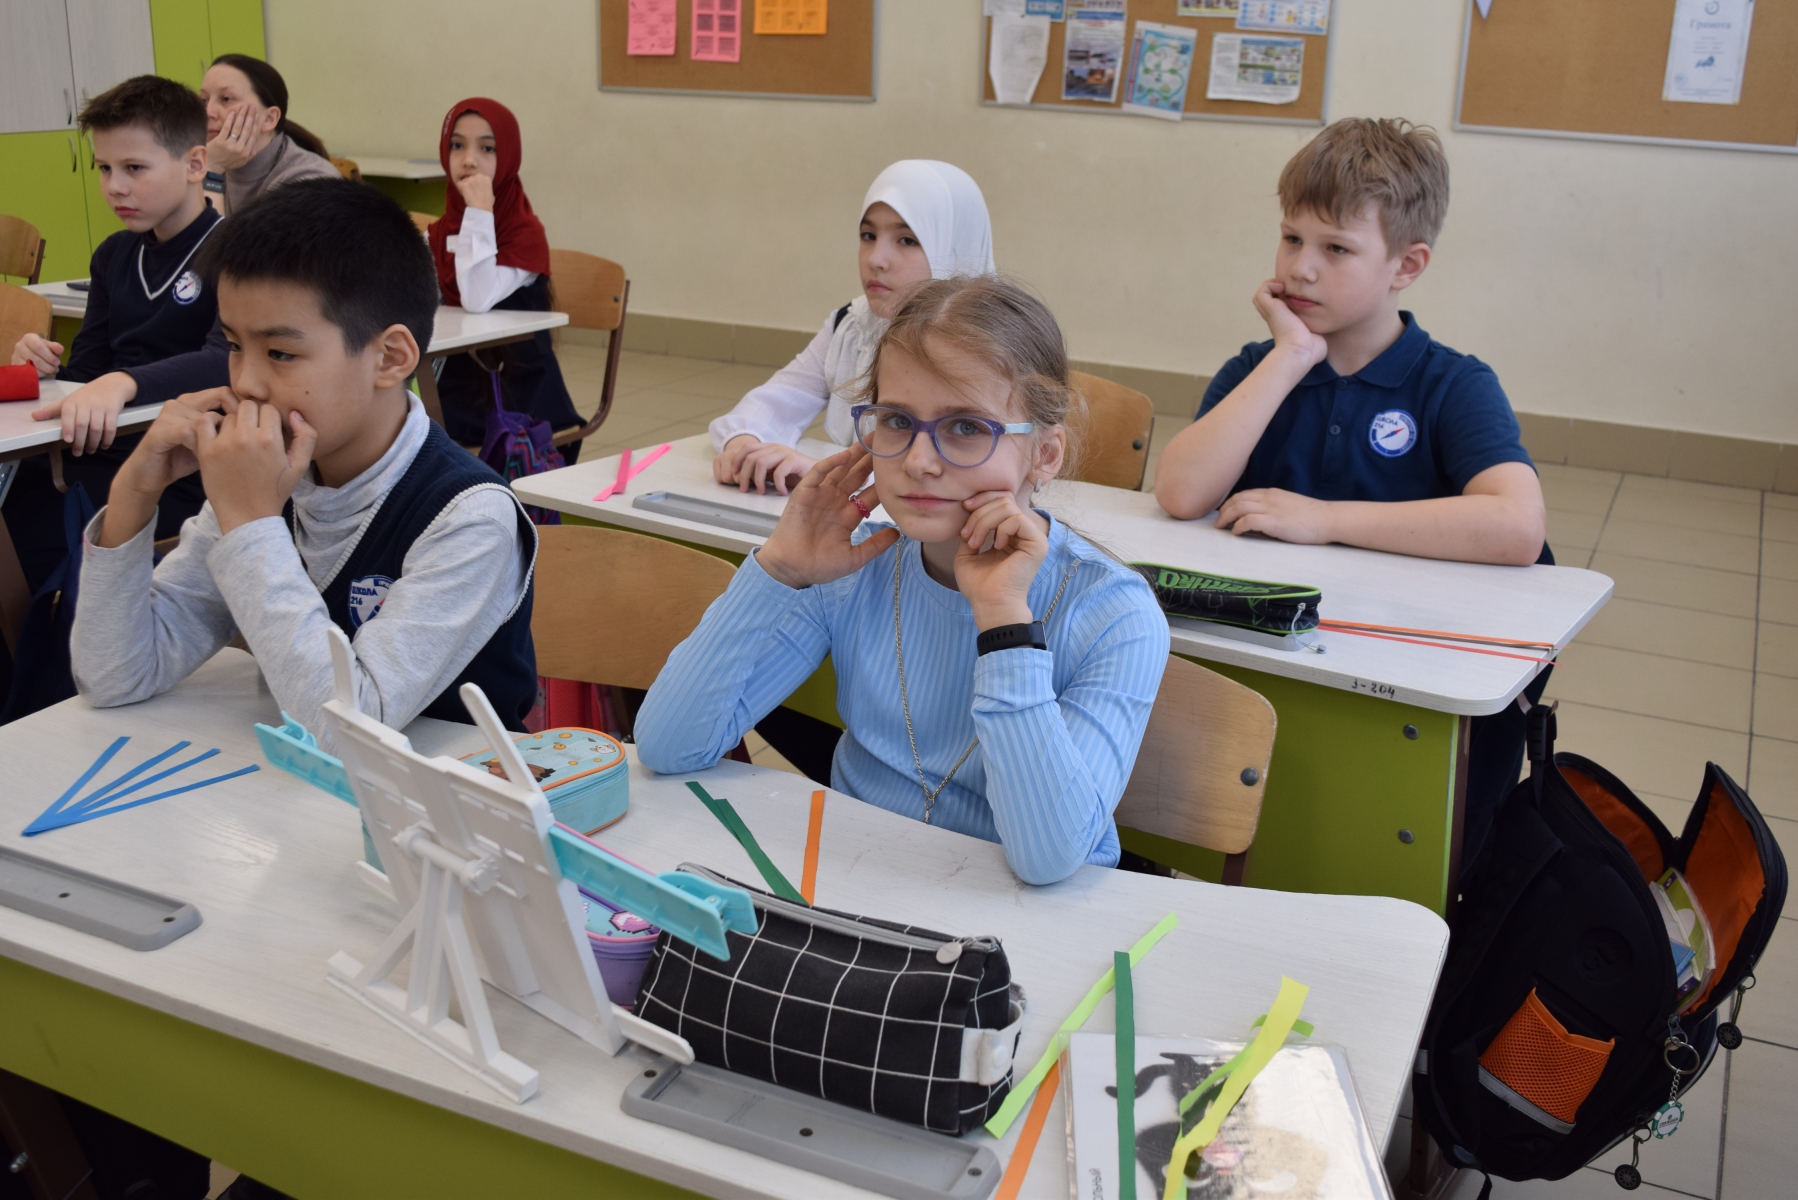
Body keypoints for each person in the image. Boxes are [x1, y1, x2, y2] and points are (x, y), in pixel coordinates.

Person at [638, 277, 1169, 886]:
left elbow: (1047, 858)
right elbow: (669, 745)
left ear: (1044, 454)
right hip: (857, 882)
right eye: (896, 420)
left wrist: (1003, 621)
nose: (919, 461)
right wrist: (778, 571)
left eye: (966, 427)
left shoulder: (1113, 612)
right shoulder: (852, 566)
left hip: (1016, 914)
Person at [1152, 117, 1550, 866]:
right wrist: (1290, 357)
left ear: (1407, 264)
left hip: (1404, 688)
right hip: (1277, 674)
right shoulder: (1259, 369)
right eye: (1291, 239)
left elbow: (1517, 526)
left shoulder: (1453, 384)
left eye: (1336, 249)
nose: (1301, 269)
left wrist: (1327, 519)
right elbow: (1179, 491)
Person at [70, 177, 539, 743]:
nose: (246, 382)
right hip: (293, 791)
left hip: (450, 792)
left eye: (280, 353)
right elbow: (115, 674)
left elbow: (350, 734)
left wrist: (251, 524)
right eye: (234, 345)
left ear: (390, 358)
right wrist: (133, 496)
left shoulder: (470, 519)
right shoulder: (270, 476)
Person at [5, 75, 221, 584]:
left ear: (195, 164)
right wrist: (43, 367)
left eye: (134, 168)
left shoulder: (238, 252)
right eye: (104, 168)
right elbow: (88, 371)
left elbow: (226, 360)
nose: (114, 186)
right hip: (99, 452)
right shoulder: (114, 254)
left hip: (184, 467)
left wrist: (124, 383)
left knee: (24, 540)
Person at [709, 159, 996, 496]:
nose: (875, 259)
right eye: (868, 236)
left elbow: (958, 476)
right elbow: (775, 402)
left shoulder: (988, 344)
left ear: (956, 245)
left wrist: (825, 471)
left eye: (907, 240)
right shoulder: (853, 323)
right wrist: (746, 447)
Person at [426, 97, 580, 451]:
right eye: (457, 145)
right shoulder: (439, 232)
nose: (469, 160)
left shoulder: (524, 233)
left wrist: (480, 210)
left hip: (516, 401)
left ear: (508, 156)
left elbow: (477, 299)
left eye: (487, 148)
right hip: (455, 387)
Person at [198, 53, 339, 216]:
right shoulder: (207, 158)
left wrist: (211, 170)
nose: (208, 112)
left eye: (226, 98)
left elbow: (213, 235)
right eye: (204, 100)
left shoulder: (309, 181)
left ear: (269, 119)